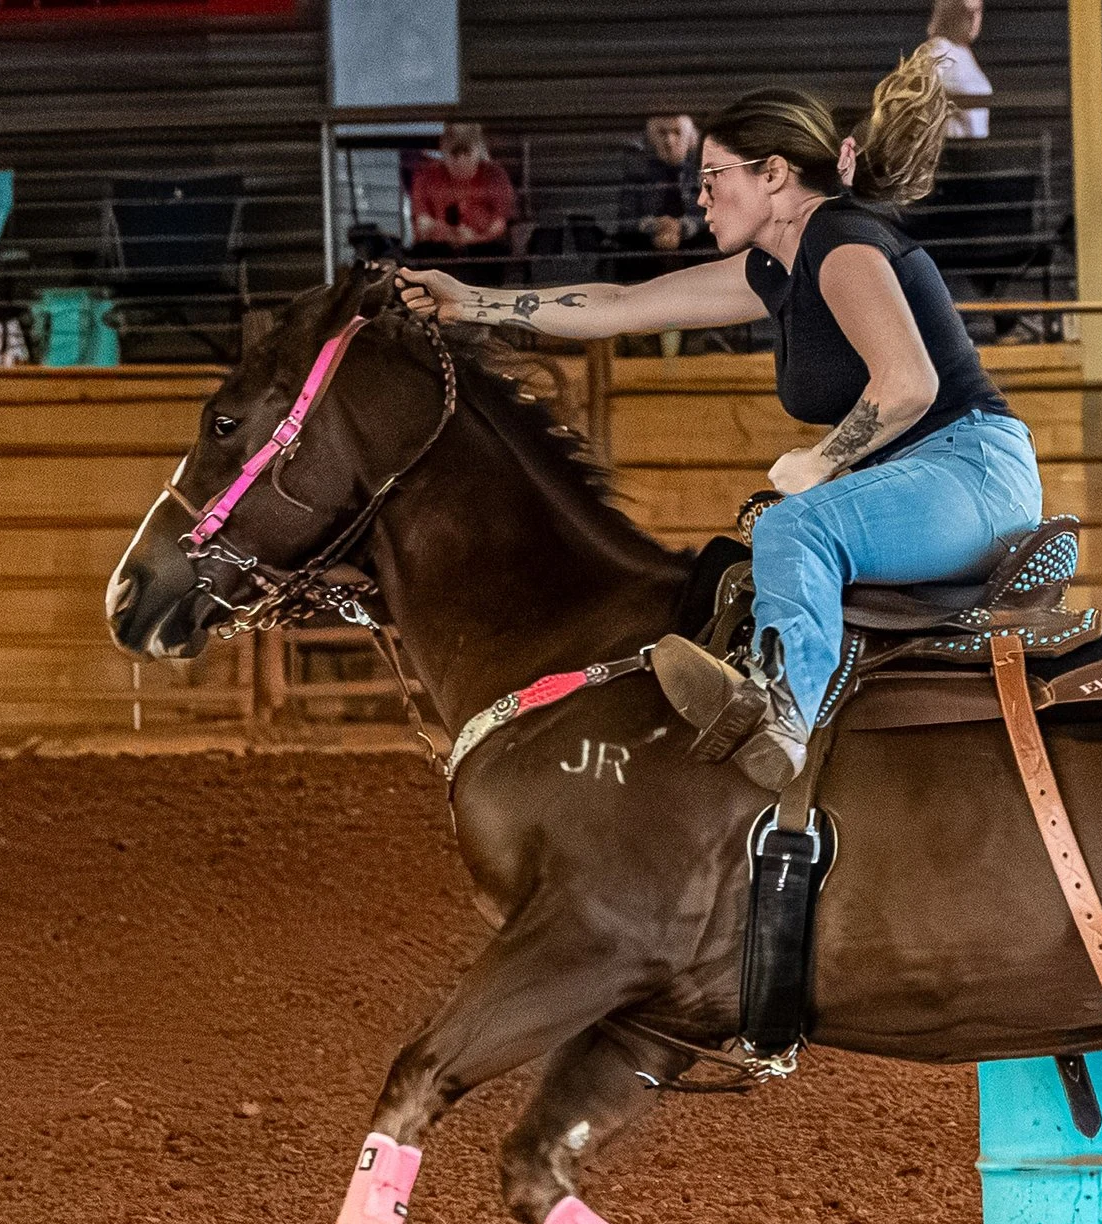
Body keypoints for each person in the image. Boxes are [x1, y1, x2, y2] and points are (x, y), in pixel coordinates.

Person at [395, 45, 1037, 785]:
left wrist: (819, 462)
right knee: (769, 546)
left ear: (772, 175)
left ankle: (783, 714)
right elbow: (621, 305)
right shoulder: (777, 267)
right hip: (930, 479)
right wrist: (471, 300)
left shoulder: (841, 240)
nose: (699, 199)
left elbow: (908, 384)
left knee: (796, 525)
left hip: (975, 473)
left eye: (712, 180)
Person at [408, 124, 518, 286]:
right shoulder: (425, 176)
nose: (461, 160)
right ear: (443, 150)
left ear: (478, 150)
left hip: (485, 255)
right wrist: (448, 233)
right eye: (454, 153)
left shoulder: (496, 176)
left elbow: (500, 225)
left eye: (466, 153)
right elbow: (422, 224)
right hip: (439, 256)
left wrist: (475, 238)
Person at [611, 113, 711, 284]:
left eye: (677, 133)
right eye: (662, 133)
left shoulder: (705, 169)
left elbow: (720, 213)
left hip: (697, 256)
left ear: (690, 138)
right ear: (651, 139)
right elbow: (624, 219)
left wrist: (683, 226)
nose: (669, 141)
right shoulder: (637, 171)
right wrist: (654, 225)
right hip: (646, 259)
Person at [925, 0, 990, 140]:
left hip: (974, 146)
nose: (974, 19)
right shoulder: (939, 49)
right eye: (966, 12)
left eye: (978, 11)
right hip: (952, 148)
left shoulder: (964, 53)